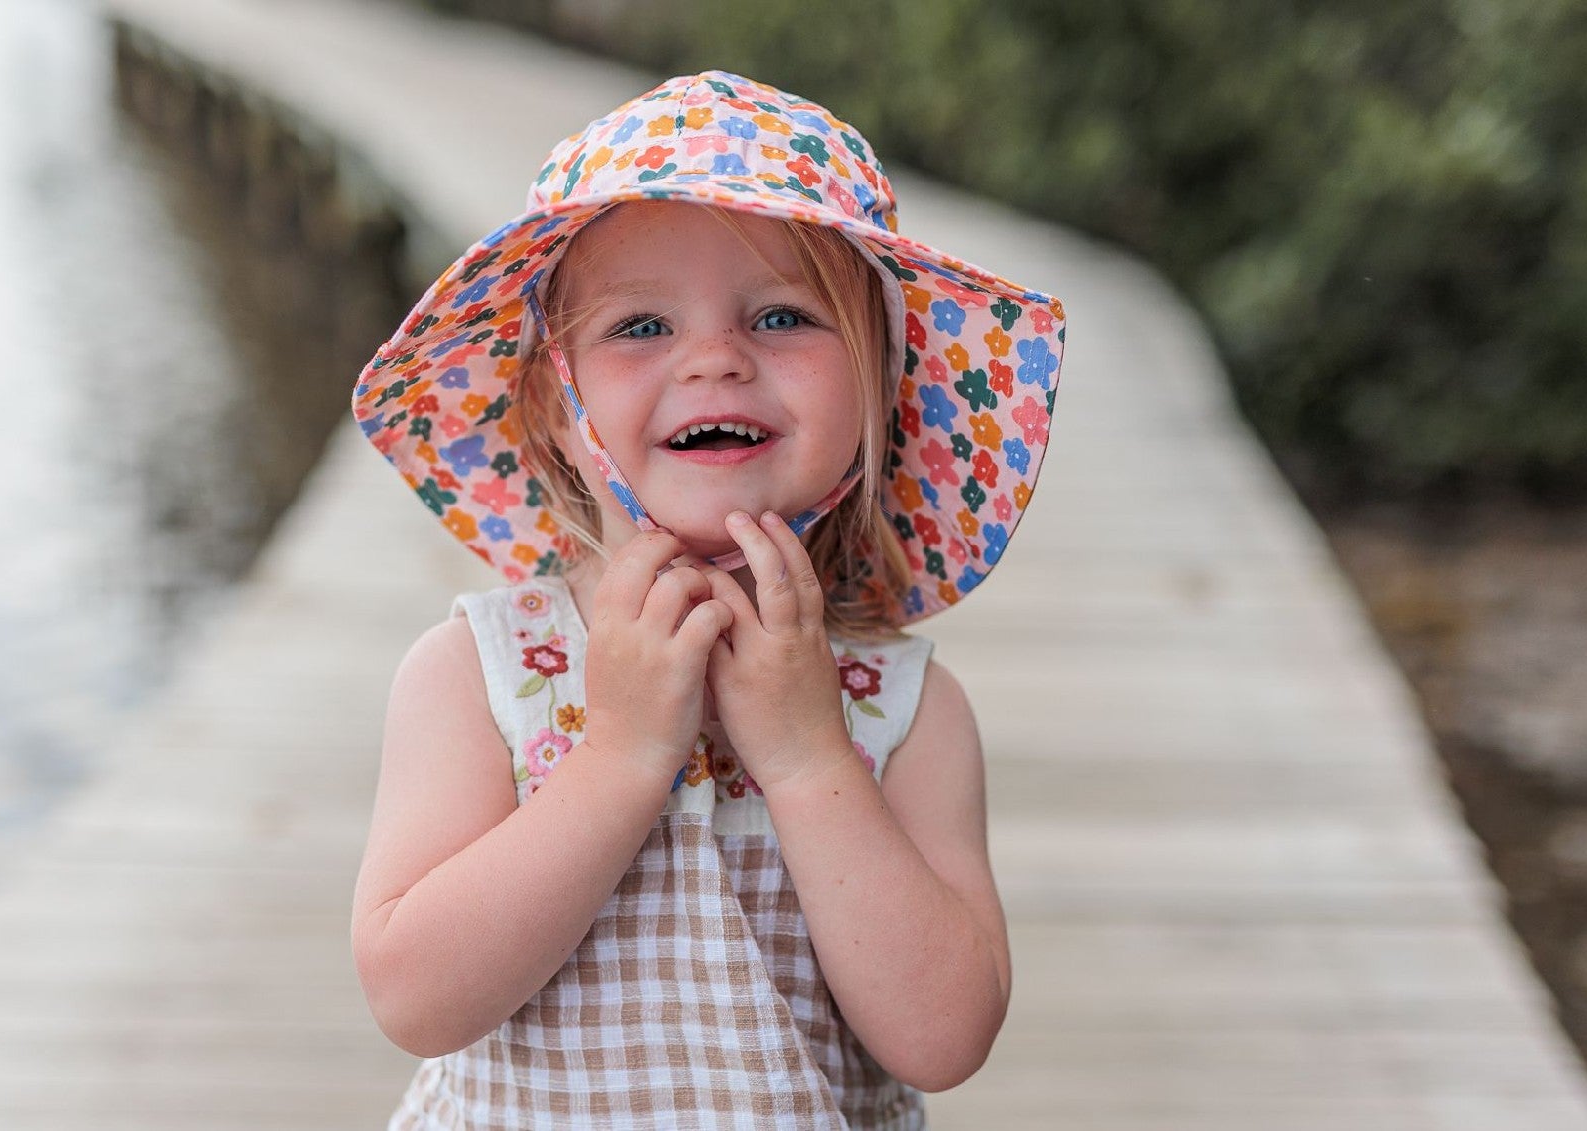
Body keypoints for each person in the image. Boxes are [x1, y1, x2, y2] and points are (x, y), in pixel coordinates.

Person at [349, 70, 1064, 1129]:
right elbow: (414, 996)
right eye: (639, 327)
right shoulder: (483, 676)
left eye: (782, 317)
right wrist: (620, 756)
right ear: (555, 404)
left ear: (879, 392)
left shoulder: (898, 706)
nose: (716, 360)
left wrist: (809, 754)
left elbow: (942, 1037)